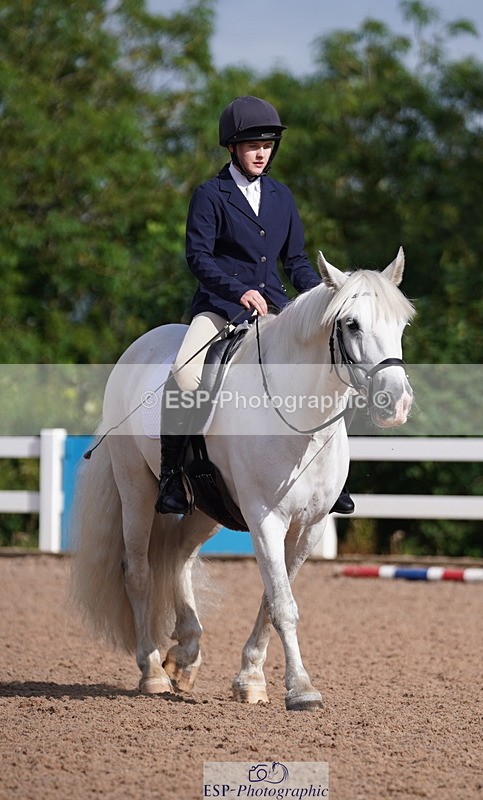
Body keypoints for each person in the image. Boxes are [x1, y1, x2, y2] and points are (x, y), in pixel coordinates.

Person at [155, 95, 354, 516]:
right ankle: (171, 474)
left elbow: (296, 260)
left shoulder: (281, 196)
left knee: (327, 367)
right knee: (185, 374)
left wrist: (320, 296)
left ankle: (332, 479)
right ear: (233, 148)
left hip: (275, 309)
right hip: (220, 307)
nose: (261, 153)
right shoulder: (210, 194)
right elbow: (199, 257)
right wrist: (237, 290)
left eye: (266, 145)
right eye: (252, 146)